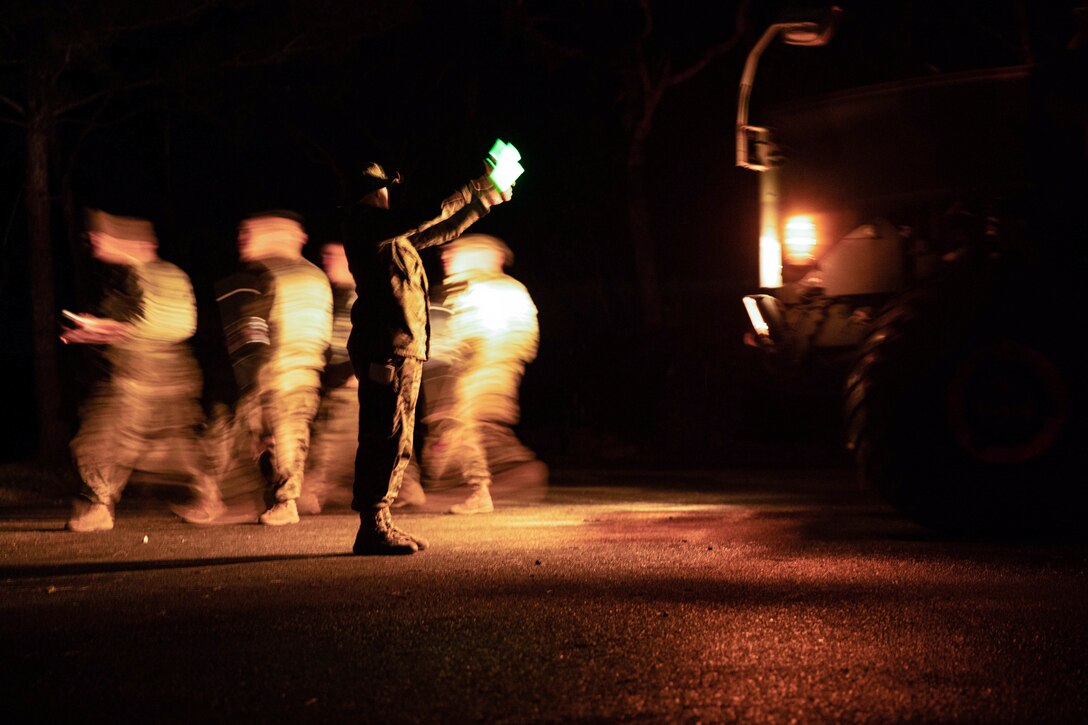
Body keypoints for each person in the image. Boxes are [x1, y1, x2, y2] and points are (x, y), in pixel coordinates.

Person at [343, 160, 512, 555]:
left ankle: (380, 521)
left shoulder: (390, 236)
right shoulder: (366, 225)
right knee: (382, 434)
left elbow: (439, 228)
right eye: (384, 188)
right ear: (372, 192)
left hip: (402, 346)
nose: (388, 194)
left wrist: (484, 200)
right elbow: (426, 215)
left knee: (398, 435)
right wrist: (476, 185)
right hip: (384, 347)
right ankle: (372, 526)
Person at [63, 209, 224, 532]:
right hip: (156, 370)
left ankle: (99, 507)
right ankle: (208, 498)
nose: (93, 242)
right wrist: (96, 331)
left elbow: (170, 324)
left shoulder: (152, 274)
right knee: (169, 446)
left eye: (101, 236)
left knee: (99, 439)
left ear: (125, 241)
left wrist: (102, 328)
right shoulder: (136, 276)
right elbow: (144, 322)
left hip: (150, 371)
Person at [214, 210, 333, 526]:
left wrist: (268, 371)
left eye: (249, 232)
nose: (243, 239)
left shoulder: (284, 275)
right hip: (283, 373)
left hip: (286, 374)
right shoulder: (305, 274)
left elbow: (265, 329)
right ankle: (269, 498)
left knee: (284, 437)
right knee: (263, 439)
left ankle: (287, 502)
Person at [414, 233, 545, 514]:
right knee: (477, 429)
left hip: (484, 370)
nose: (447, 258)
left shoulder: (488, 289)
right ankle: (510, 473)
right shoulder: (487, 288)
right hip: (487, 369)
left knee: (463, 425)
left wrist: (479, 364)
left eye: (456, 253)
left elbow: (503, 336)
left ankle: (481, 488)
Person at [298, 242, 360, 514]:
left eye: (334, 257)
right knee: (349, 439)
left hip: (352, 381)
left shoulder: (358, 294)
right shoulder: (339, 294)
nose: (327, 261)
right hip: (343, 379)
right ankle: (406, 487)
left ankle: (310, 494)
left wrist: (354, 373)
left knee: (329, 441)